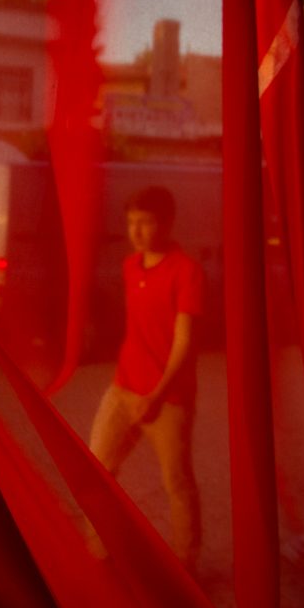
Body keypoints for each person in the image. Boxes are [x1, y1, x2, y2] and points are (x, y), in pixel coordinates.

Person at [90, 186, 203, 571]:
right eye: (132, 222)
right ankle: (100, 552)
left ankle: (186, 565)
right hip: (123, 388)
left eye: (146, 223)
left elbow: (184, 342)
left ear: (167, 223)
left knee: (177, 482)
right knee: (97, 468)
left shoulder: (186, 271)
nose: (136, 232)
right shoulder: (130, 265)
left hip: (168, 399)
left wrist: (156, 394)